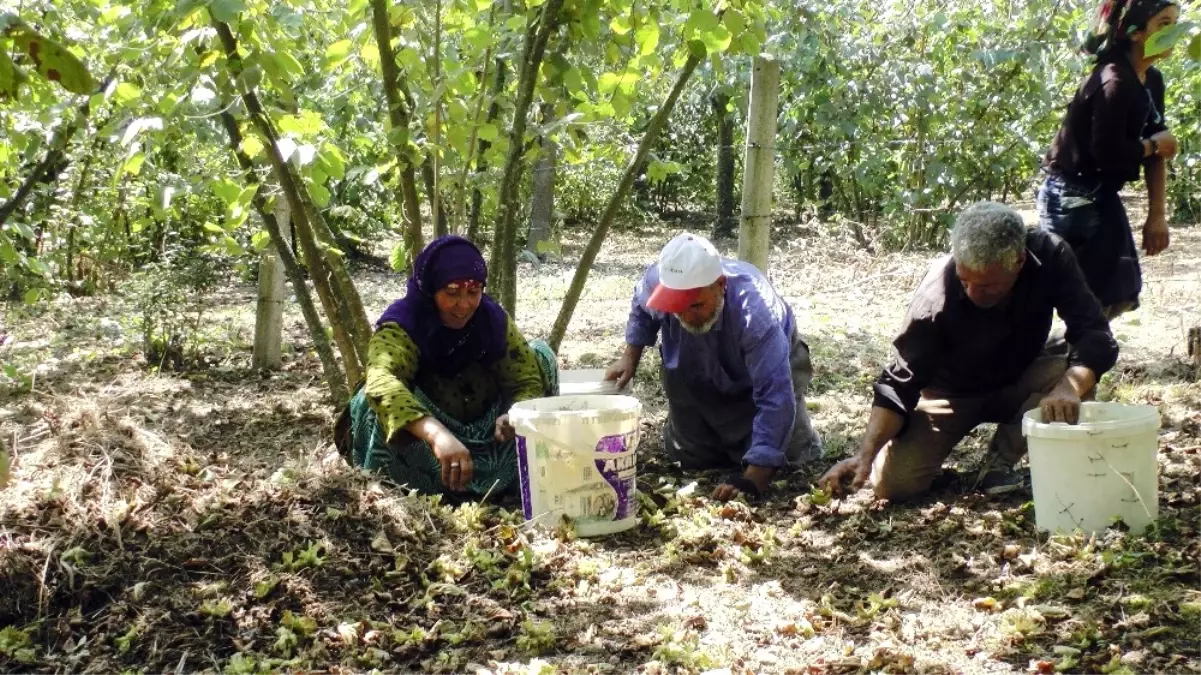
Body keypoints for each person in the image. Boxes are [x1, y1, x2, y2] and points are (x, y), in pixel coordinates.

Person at [820, 202, 1119, 501]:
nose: (974, 294)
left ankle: (998, 464)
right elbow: (900, 383)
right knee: (893, 486)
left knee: (1077, 378)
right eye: (965, 281)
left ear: (1019, 261)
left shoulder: (1049, 255)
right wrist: (866, 454)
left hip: (1023, 373)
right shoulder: (935, 298)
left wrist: (1068, 386)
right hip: (950, 396)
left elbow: (1094, 334)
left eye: (989, 285)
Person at [335, 235, 558, 499]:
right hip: (426, 447)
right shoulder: (405, 324)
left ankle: (519, 479)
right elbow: (382, 378)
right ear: (430, 290)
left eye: (473, 293)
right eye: (451, 293)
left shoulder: (492, 321)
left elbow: (526, 378)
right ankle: (408, 490)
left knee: (542, 355)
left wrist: (515, 414)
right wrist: (436, 434)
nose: (463, 305)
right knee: (368, 399)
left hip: (489, 440)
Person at [606, 232, 822, 502]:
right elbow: (642, 306)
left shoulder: (755, 313)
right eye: (677, 306)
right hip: (693, 372)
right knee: (691, 459)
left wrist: (753, 480)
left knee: (787, 456)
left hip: (762, 376)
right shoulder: (657, 281)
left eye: (696, 305)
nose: (687, 316)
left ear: (720, 284)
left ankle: (769, 449)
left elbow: (775, 396)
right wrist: (630, 356)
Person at [1037, 0, 1180, 319]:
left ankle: (1075, 357)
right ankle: (1063, 360)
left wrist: (1157, 215)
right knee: (1083, 299)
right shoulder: (1114, 81)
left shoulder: (1151, 80)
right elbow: (1109, 153)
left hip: (1100, 193)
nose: (1174, 33)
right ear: (1137, 33)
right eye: (1163, 25)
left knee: (1119, 293)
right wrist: (1153, 146)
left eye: (1176, 24)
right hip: (1072, 196)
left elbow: (1159, 142)